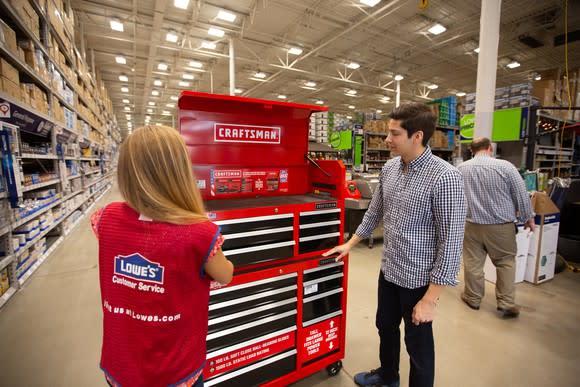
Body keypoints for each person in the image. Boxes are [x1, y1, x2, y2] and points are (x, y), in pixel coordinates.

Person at [324, 102, 466, 387]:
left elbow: (451, 242)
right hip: (389, 269)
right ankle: (388, 376)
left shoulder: (445, 178)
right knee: (385, 326)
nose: (387, 139)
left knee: (418, 347)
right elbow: (375, 212)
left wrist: (430, 299)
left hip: (418, 280)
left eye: (394, 134)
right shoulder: (390, 168)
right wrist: (350, 243)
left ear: (417, 136)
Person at [91, 125, 234, 387]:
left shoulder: (105, 218)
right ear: (179, 172)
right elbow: (225, 274)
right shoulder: (199, 233)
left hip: (120, 366)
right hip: (175, 371)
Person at [457, 137, 535, 318]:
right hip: (500, 226)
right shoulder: (506, 167)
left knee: (473, 263)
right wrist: (527, 217)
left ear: (472, 150)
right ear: (490, 148)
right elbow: (521, 194)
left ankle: (472, 298)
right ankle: (506, 303)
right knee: (505, 262)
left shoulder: (460, 169)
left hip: (471, 225)